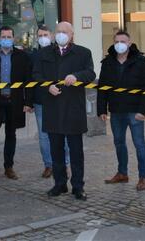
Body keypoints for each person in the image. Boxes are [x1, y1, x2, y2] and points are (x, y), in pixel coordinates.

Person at [33, 21, 95, 201]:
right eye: (58, 31)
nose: (61, 34)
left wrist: (77, 76)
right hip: (53, 109)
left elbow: (90, 73)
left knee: (76, 152)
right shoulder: (44, 53)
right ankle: (59, 184)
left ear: (72, 35)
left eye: (64, 32)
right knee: (56, 151)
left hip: (73, 109)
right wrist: (47, 87)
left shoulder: (83, 53)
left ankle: (78, 186)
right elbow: (36, 75)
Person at [97, 30, 145, 191]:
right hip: (116, 111)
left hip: (135, 111)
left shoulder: (141, 62)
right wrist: (101, 109)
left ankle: (143, 178)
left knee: (139, 144)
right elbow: (102, 88)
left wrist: (143, 111)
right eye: (117, 41)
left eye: (123, 41)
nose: (120, 44)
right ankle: (122, 173)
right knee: (119, 142)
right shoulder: (108, 62)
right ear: (113, 43)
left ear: (129, 43)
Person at [0, 26, 33, 180]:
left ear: (13, 38)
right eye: (3, 36)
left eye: (8, 36)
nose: (6, 39)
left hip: (15, 101)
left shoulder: (22, 56)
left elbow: (28, 81)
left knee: (11, 134)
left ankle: (9, 167)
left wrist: (28, 102)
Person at [28, 25, 69, 178]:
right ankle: (49, 165)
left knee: (62, 132)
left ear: (51, 36)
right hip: (40, 100)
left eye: (45, 34)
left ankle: (64, 164)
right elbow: (31, 79)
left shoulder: (58, 52)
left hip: (59, 99)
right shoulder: (33, 56)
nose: (43, 37)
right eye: (40, 35)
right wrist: (29, 102)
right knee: (44, 135)